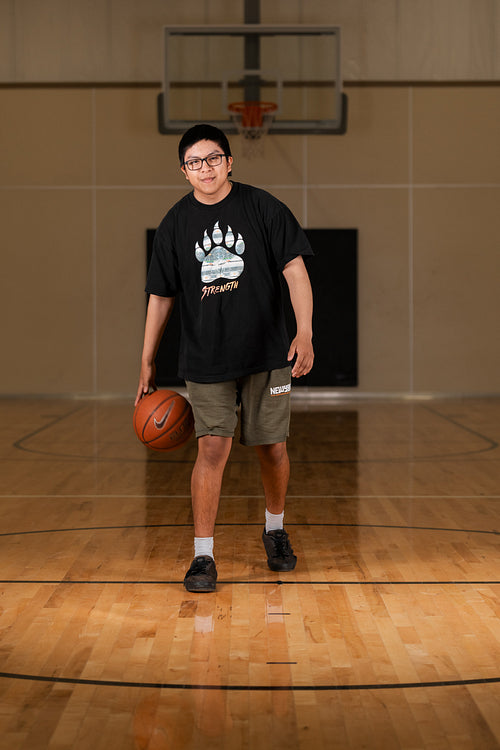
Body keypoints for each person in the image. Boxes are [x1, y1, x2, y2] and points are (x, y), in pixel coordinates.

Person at [135, 123, 314, 593]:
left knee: (272, 446)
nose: (205, 168)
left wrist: (306, 331)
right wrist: (147, 358)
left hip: (267, 350)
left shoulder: (263, 207)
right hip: (206, 356)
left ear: (229, 161)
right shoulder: (175, 223)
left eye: (213, 158)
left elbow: (295, 270)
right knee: (212, 447)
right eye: (195, 162)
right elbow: (160, 295)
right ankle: (203, 558)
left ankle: (275, 531)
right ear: (183, 171)